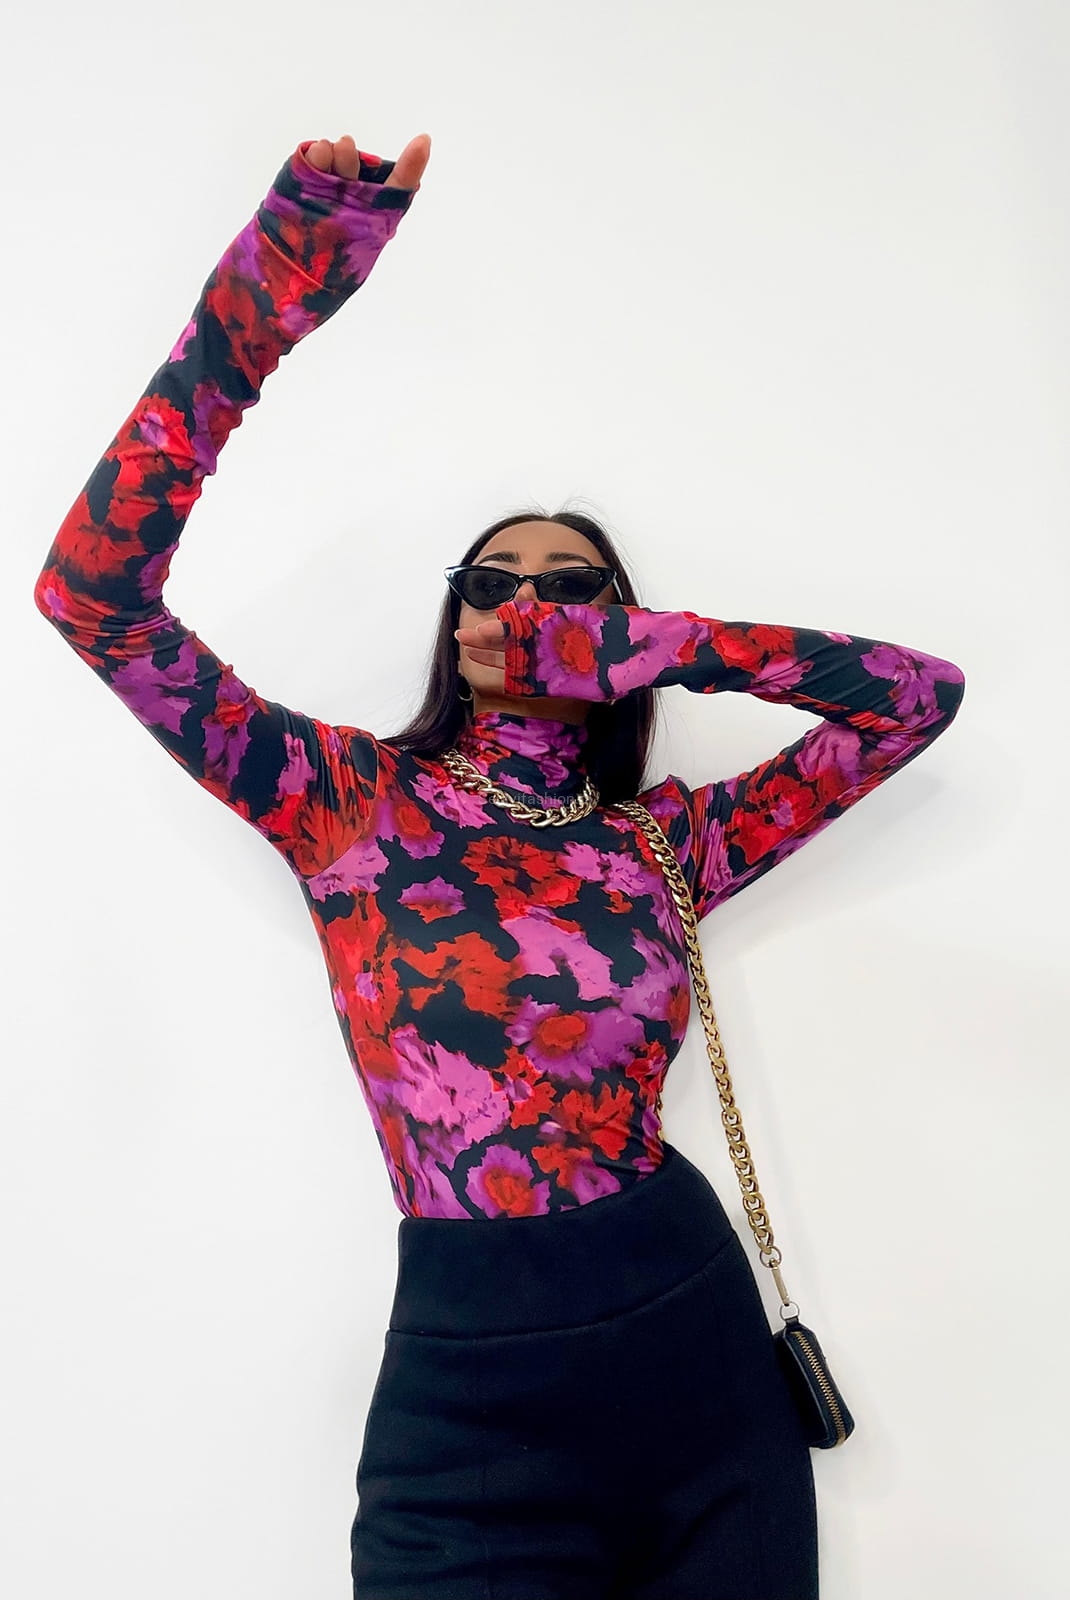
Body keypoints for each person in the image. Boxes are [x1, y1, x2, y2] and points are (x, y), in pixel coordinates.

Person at [34, 129, 965, 1600]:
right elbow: (90, 596)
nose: (527, 610)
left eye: (571, 591)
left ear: (620, 634)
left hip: (692, 1366)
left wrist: (662, 645)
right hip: (464, 1411)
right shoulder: (343, 804)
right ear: (452, 622)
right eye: (494, 584)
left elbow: (917, 699)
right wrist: (274, 285)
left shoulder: (663, 846)